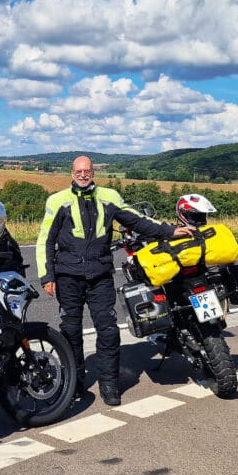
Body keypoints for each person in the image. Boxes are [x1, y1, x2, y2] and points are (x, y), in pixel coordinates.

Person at [36, 156, 195, 405]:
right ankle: (74, 383)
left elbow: (137, 220)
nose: (83, 175)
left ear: (93, 173)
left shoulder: (109, 197)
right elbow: (45, 239)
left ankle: (109, 384)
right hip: (68, 276)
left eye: (87, 171)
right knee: (70, 331)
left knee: (108, 331)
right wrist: (47, 276)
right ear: (72, 173)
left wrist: (170, 231)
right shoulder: (57, 201)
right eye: (79, 171)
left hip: (100, 275)